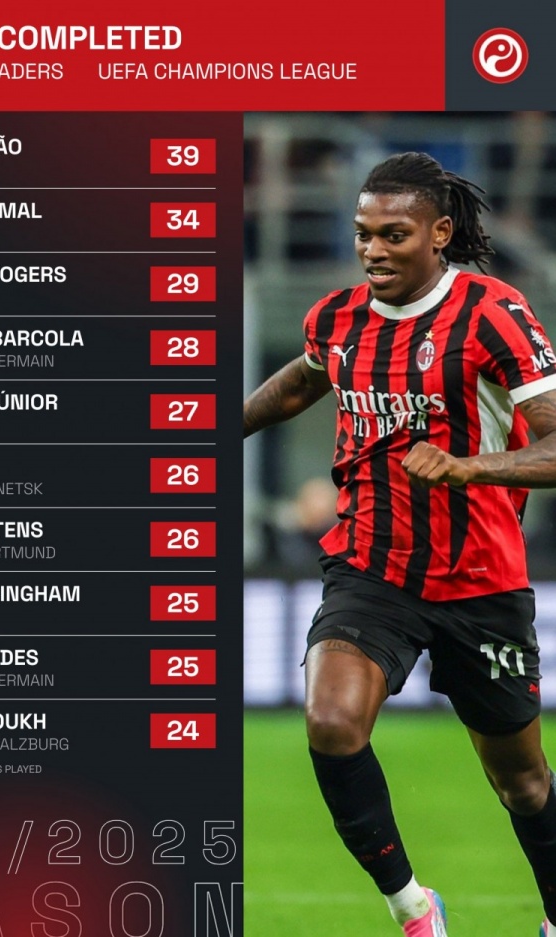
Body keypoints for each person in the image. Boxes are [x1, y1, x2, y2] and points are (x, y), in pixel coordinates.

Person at [243, 151, 556, 936]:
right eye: (362, 233)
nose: (373, 250)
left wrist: (469, 466)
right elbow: (305, 378)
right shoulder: (339, 316)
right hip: (371, 567)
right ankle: (413, 908)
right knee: (331, 721)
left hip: (480, 577)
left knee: (521, 782)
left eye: (394, 234)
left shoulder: (493, 314)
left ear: (439, 233)